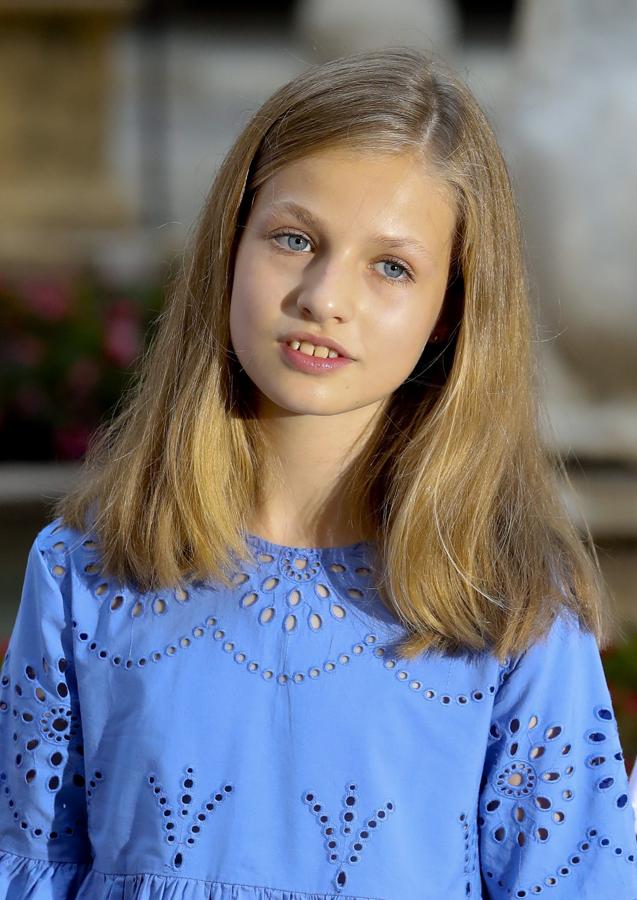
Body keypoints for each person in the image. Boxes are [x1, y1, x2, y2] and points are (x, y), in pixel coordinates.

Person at [0, 45, 635, 899]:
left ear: (449, 311)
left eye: (391, 267)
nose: (324, 296)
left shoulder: (511, 609)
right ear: (231, 246)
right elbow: (27, 866)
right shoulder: (86, 573)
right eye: (294, 239)